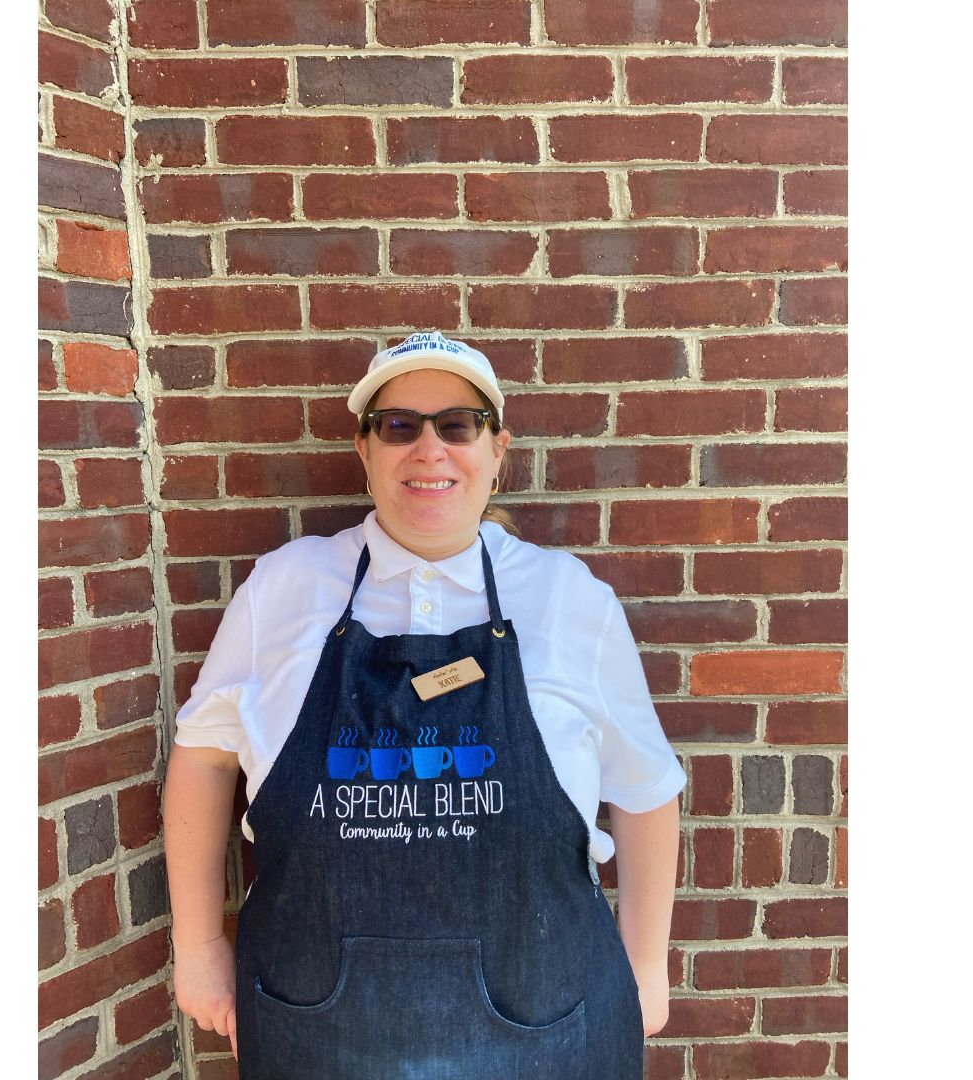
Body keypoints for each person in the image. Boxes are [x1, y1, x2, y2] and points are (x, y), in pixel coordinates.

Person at [163, 331, 685, 1080]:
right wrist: (203, 945)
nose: (429, 449)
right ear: (364, 450)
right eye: (399, 426)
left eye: (458, 425)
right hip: (319, 1034)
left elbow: (645, 790)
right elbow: (205, 758)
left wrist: (645, 969)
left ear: (497, 450)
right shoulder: (284, 589)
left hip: (549, 1031)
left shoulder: (569, 599)